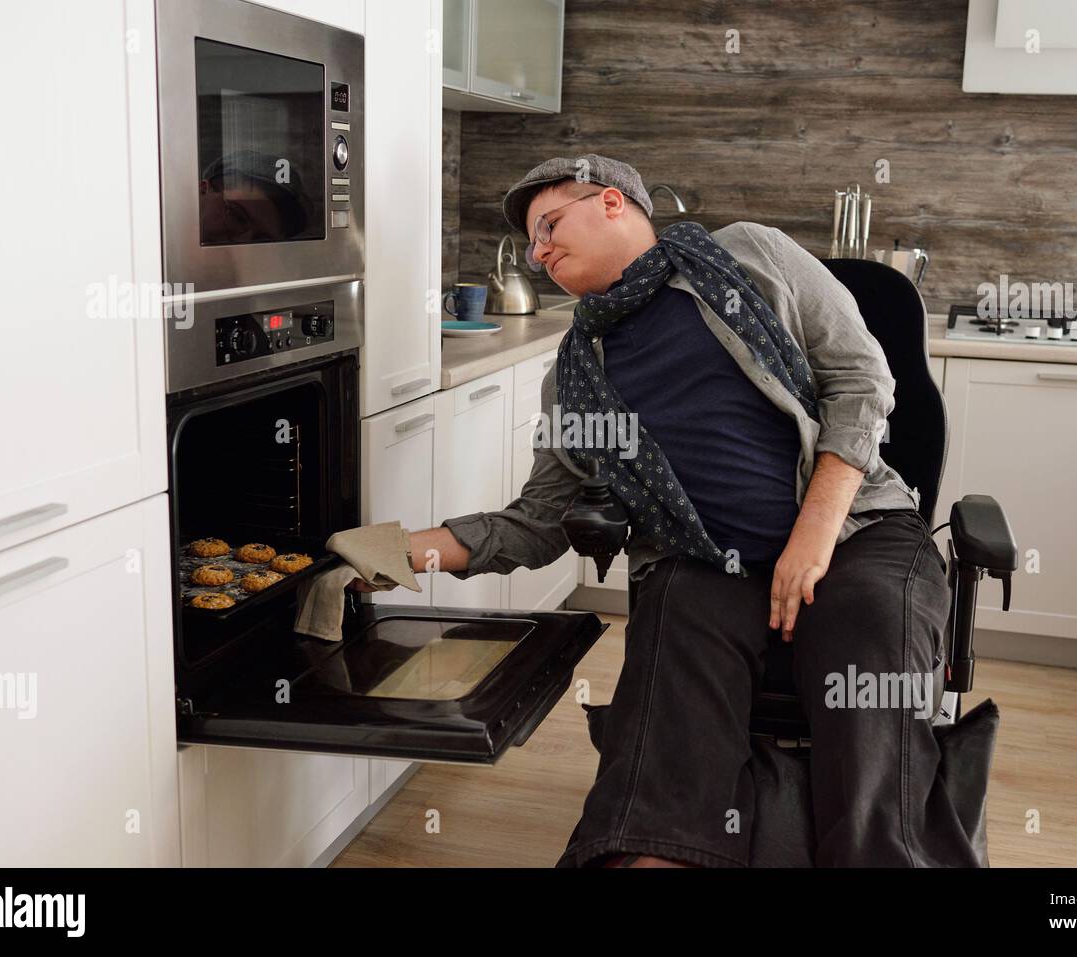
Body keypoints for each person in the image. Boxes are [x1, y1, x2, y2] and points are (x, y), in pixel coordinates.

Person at [354, 154, 975, 868]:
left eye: (549, 224)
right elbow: (537, 522)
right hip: (708, 556)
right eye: (533, 243)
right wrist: (398, 552)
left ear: (614, 202)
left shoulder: (751, 255)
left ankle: (880, 854)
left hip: (856, 528)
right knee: (672, 617)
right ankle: (656, 854)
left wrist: (813, 533)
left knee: (865, 626)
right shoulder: (575, 377)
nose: (540, 250)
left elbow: (862, 380)